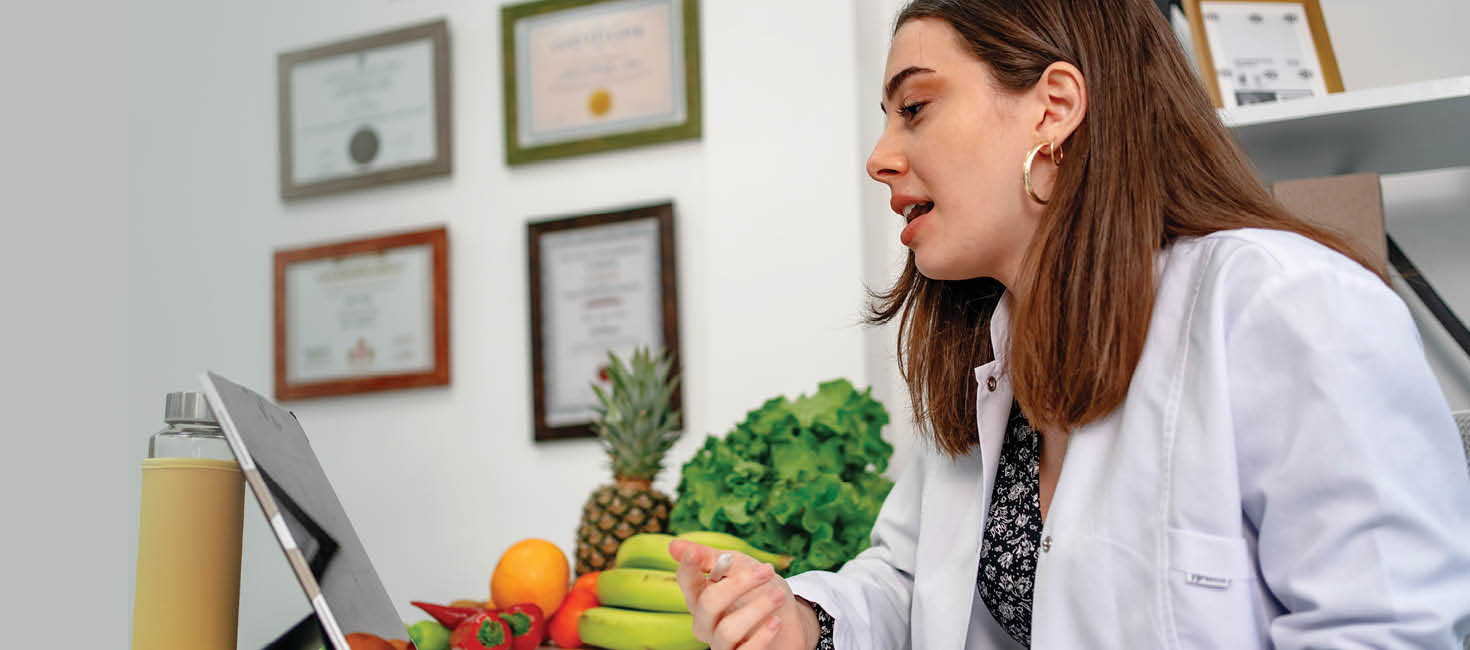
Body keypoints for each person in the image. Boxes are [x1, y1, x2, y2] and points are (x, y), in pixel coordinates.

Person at [667, 0, 1470, 648]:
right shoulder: (991, 357)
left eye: (914, 107)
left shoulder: (1284, 303)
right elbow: (912, 585)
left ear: (1053, 108)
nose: (879, 155)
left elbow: (1387, 629)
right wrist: (800, 622)